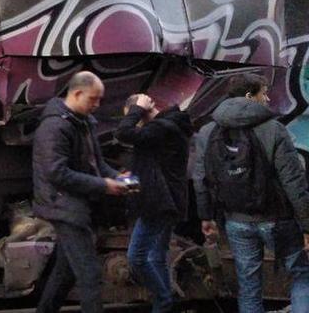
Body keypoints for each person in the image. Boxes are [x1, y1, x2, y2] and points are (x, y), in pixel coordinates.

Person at [193, 73, 309, 313]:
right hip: (278, 220)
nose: (266, 99)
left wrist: (206, 217)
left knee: (248, 284)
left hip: (236, 221)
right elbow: (294, 182)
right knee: (301, 275)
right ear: (249, 96)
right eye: (263, 93)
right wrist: (307, 225)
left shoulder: (207, 132)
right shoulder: (273, 129)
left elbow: (200, 178)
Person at [33, 71, 130, 313]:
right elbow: (57, 173)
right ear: (77, 93)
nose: (97, 105)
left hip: (74, 204)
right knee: (90, 275)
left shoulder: (82, 122)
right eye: (93, 99)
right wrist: (104, 185)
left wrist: (118, 177)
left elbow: (96, 163)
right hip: (63, 206)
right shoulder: (54, 127)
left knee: (64, 273)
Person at [115, 94, 193, 313]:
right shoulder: (169, 127)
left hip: (159, 203)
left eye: (135, 118)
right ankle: (163, 304)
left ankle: (163, 300)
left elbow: (123, 133)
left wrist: (137, 109)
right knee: (157, 255)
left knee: (136, 257)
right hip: (168, 200)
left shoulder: (162, 129)